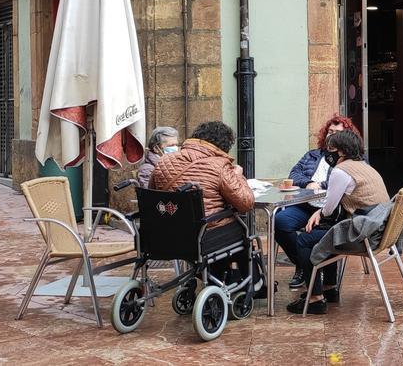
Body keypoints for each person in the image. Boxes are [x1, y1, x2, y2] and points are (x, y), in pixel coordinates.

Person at [287, 130, 390, 314]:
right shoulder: (365, 167)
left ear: (341, 151)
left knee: (305, 239)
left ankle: (315, 299)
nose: (328, 153)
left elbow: (329, 207)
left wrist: (319, 212)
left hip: (363, 236)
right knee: (328, 231)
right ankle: (329, 288)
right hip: (379, 231)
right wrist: (322, 212)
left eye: (331, 149)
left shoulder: (340, 171)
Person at [150, 121, 256, 292]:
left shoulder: (164, 161)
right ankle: (247, 283)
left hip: (166, 235)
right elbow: (246, 203)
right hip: (204, 236)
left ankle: (214, 277)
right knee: (243, 231)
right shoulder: (219, 166)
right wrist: (238, 176)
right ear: (224, 145)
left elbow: (153, 194)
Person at [277, 115, 361, 288]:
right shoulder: (312, 155)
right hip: (306, 205)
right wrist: (308, 183)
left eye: (337, 132)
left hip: (333, 210)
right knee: (279, 221)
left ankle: (315, 276)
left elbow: (345, 181)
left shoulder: (353, 158)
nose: (332, 135)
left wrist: (321, 184)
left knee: (314, 235)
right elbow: (294, 174)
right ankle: (302, 264)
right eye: (330, 131)